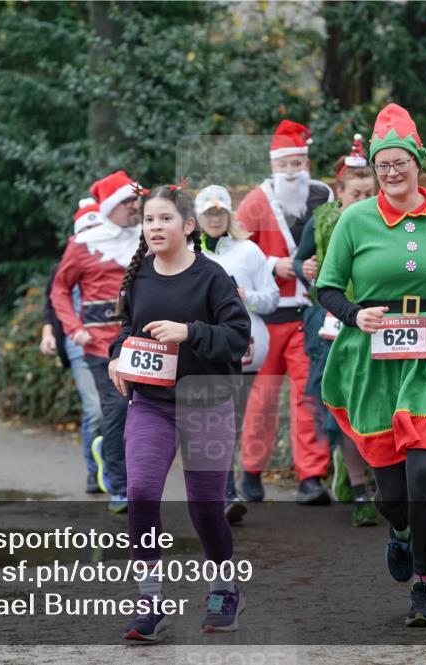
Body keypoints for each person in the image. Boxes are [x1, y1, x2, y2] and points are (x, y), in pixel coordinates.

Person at [316, 103, 426, 627]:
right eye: (382, 164)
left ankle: (424, 585)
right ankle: (399, 532)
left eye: (400, 163)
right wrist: (354, 312)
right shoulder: (354, 219)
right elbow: (325, 287)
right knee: (392, 495)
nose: (391, 173)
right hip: (375, 353)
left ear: (418, 161)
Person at [107, 184, 250, 641]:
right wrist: (115, 357)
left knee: (206, 507)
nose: (154, 227)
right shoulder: (139, 276)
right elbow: (126, 332)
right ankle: (150, 601)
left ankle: (225, 586)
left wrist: (188, 332)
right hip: (150, 404)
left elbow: (237, 336)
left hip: (206, 402)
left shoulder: (212, 277)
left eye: (165, 219)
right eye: (149, 220)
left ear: (188, 226)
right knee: (143, 492)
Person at [235, 119, 334, 505]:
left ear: (306, 162)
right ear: (273, 166)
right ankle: (253, 471)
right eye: (284, 165)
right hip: (266, 316)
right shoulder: (256, 201)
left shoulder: (323, 197)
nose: (291, 172)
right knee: (261, 397)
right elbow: (236, 248)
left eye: (297, 163)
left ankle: (310, 477)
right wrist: (275, 263)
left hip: (308, 313)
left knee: (308, 397)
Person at [293, 135, 379, 527]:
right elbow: (299, 261)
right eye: (355, 192)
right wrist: (305, 270)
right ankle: (358, 487)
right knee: (339, 403)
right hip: (328, 317)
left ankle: (370, 479)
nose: (362, 199)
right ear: (339, 191)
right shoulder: (323, 220)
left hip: (376, 316)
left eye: (368, 192)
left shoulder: (385, 221)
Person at [52, 171, 142, 513]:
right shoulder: (84, 244)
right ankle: (120, 488)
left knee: (147, 412)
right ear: (111, 206)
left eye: (137, 201)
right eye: (129, 201)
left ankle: (143, 482)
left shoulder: (149, 237)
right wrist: (74, 328)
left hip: (145, 340)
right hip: (99, 343)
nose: (136, 206)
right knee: (117, 409)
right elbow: (59, 288)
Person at [195, 185, 279, 524]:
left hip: (245, 352)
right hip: (200, 351)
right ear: (197, 218)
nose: (214, 218)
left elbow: (272, 299)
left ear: (229, 215)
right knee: (215, 420)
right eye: (208, 213)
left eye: (220, 212)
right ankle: (224, 493)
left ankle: (224, 491)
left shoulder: (249, 251)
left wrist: (245, 296)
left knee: (233, 422)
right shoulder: (186, 253)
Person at [41, 199, 105, 494]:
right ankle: (94, 472)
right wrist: (48, 333)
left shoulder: (113, 261)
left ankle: (115, 468)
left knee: (119, 411)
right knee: (95, 410)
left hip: (113, 343)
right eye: (87, 228)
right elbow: (53, 301)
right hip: (79, 346)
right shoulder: (63, 265)